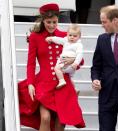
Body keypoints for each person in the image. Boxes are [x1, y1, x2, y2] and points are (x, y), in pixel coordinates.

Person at [18, 3, 85, 131]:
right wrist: (31, 83)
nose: (52, 25)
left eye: (55, 22)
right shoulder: (35, 37)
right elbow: (31, 63)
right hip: (44, 83)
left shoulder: (65, 36)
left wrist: (73, 60)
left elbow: (79, 59)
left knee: (61, 121)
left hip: (63, 83)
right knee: (45, 117)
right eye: (49, 22)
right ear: (43, 20)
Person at [45, 24, 83, 88]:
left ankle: (61, 81)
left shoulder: (78, 45)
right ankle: (74, 89)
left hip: (69, 63)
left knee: (57, 68)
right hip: (68, 64)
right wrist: (51, 38)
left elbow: (80, 54)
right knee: (69, 78)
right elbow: (58, 40)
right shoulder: (66, 41)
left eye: (75, 36)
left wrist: (76, 63)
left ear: (79, 37)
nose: (72, 37)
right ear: (67, 35)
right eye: (70, 35)